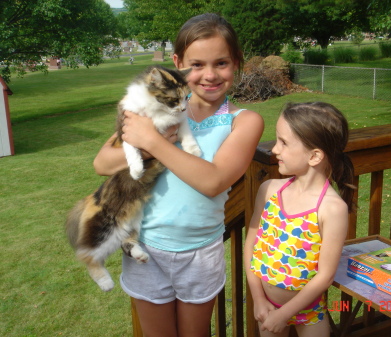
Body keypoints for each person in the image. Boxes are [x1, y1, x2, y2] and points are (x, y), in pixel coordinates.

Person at [93, 13, 264, 337]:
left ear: (237, 62)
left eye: (222, 63)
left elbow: (213, 181)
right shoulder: (151, 109)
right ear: (177, 63)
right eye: (196, 64)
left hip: (200, 252)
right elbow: (102, 162)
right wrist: (143, 147)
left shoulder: (244, 121)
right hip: (146, 248)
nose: (209, 75)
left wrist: (152, 141)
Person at [244, 102, 355, 337]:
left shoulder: (332, 208)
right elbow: (252, 247)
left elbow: (325, 276)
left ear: (314, 156)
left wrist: (284, 316)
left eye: (283, 142)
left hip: (310, 314)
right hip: (267, 307)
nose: (274, 149)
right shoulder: (269, 191)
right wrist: (257, 298)